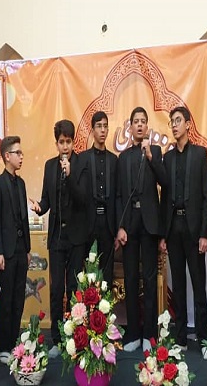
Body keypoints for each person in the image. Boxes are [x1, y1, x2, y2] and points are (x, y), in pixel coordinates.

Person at [30, 119, 88, 358]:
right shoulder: (49, 166)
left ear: (74, 142)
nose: (65, 146)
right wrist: (39, 207)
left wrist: (70, 175)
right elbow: (46, 200)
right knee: (56, 290)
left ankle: (73, 338)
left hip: (76, 237)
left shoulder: (82, 164)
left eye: (68, 141)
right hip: (56, 237)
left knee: (73, 288)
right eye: (61, 142)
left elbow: (83, 199)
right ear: (56, 144)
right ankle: (56, 339)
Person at [160, 106, 207, 358]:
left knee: (198, 285)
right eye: (172, 121)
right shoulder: (167, 158)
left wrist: (204, 234)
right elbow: (163, 198)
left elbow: (206, 197)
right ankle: (180, 337)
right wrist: (162, 235)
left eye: (178, 120)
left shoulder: (200, 154)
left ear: (188, 124)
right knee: (178, 285)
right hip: (173, 229)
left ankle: (203, 337)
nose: (174, 125)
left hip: (193, 230)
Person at [115, 107, 167, 352]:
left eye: (143, 121)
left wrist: (150, 156)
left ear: (147, 126)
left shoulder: (155, 151)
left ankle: (150, 334)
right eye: (135, 121)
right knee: (131, 279)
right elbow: (119, 195)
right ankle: (133, 334)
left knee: (149, 278)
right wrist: (120, 226)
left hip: (149, 224)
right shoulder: (122, 158)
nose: (139, 125)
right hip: (129, 224)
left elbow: (164, 181)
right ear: (130, 126)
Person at [0, 136, 31, 364]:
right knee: (6, 300)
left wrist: (28, 248)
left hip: (21, 249)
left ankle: (15, 342)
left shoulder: (21, 183)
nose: (21, 157)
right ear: (7, 156)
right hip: (6, 251)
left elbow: (24, 219)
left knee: (18, 298)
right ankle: (4, 347)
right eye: (18, 153)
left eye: (22, 153)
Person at [81, 111, 118, 284]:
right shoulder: (83, 159)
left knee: (107, 275)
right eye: (99, 126)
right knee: (89, 273)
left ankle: (106, 303)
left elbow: (118, 196)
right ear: (92, 130)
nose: (102, 130)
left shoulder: (114, 160)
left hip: (108, 224)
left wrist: (117, 228)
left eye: (105, 126)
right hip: (89, 222)